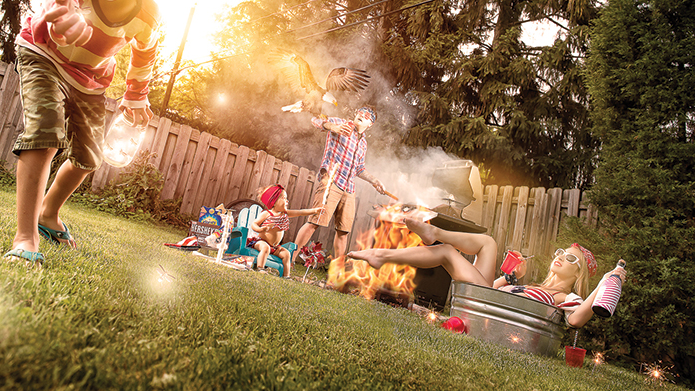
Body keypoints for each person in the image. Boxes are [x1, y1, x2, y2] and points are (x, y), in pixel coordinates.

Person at [5, 0, 179, 265]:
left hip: (90, 79)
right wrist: (61, 9)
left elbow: (144, 53)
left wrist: (136, 94)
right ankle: (25, 236)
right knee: (45, 132)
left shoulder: (146, 15)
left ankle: (49, 213)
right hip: (43, 54)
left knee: (88, 157)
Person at [348, 218, 627, 328]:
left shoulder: (566, 297)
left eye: (569, 258)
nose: (559, 257)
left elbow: (576, 320)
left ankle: (382, 254)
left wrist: (603, 284)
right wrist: (510, 278)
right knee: (488, 242)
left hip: (486, 312)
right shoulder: (534, 286)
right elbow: (488, 291)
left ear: (578, 274)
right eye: (559, 252)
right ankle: (424, 237)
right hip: (483, 299)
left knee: (447, 252)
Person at [291, 105, 388, 263]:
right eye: (360, 112)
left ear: (370, 124)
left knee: (343, 231)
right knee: (314, 222)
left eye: (367, 115)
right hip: (332, 181)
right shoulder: (340, 123)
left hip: (349, 188)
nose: (361, 115)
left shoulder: (363, 143)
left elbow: (359, 169)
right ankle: (290, 259)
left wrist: (375, 181)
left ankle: (336, 276)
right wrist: (333, 127)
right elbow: (316, 120)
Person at [249, 185, 324, 277]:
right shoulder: (267, 214)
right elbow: (254, 224)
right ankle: (260, 268)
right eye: (284, 198)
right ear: (274, 201)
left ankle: (286, 276)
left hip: (275, 247)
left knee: (287, 254)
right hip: (261, 242)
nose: (287, 201)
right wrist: (261, 229)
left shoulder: (285, 214)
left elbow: (300, 212)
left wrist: (314, 211)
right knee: (265, 248)